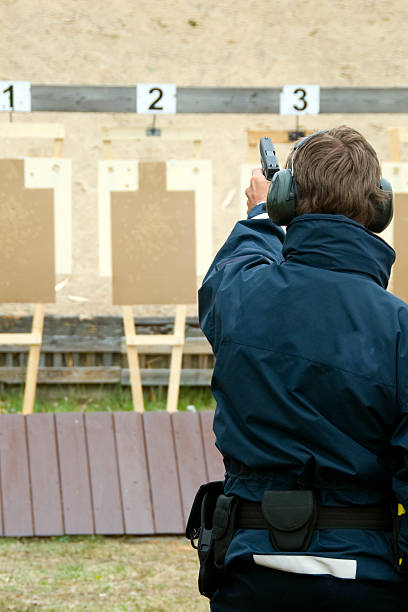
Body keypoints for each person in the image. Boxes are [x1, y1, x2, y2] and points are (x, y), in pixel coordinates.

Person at [196, 126, 408, 611]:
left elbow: (233, 269)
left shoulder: (241, 297)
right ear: (379, 208)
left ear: (287, 200)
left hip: (251, 570)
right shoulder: (400, 329)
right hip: (368, 576)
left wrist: (259, 213)